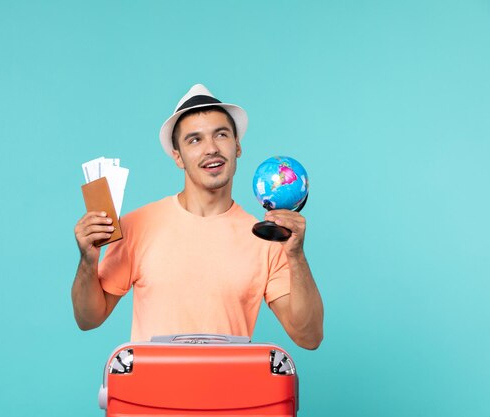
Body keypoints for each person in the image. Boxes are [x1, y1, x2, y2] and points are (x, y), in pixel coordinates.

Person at [71, 84, 324, 349]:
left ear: (237, 146)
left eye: (221, 135)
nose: (211, 148)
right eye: (195, 140)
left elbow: (309, 337)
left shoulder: (265, 238)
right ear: (178, 157)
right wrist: (88, 260)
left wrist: (296, 256)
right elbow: (88, 318)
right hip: (152, 389)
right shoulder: (137, 226)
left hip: (230, 389)